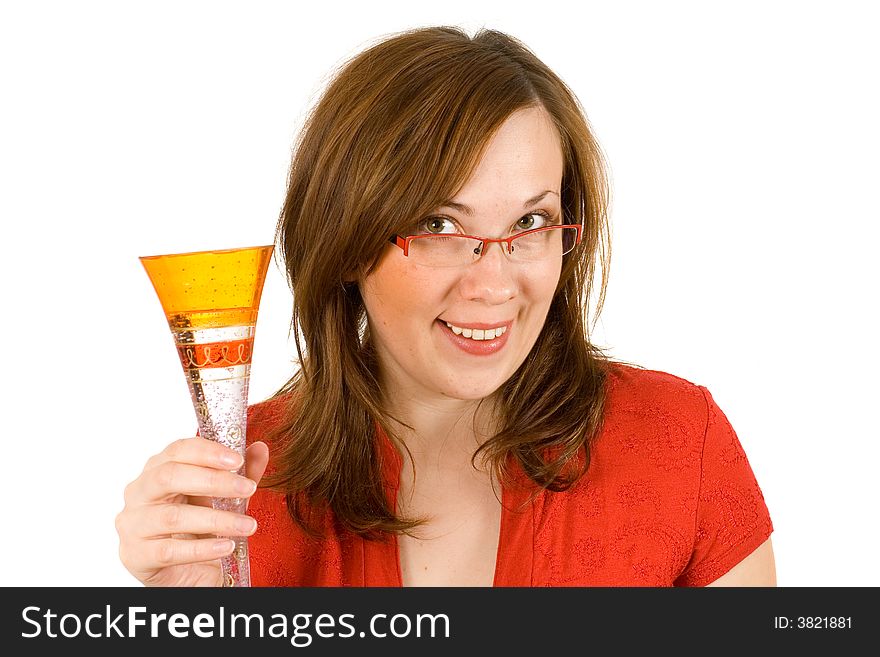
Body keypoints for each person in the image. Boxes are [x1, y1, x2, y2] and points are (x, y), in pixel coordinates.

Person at [116, 26, 775, 587]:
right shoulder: (238, 495)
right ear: (346, 242)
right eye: (437, 224)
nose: (493, 283)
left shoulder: (680, 444)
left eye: (533, 220)